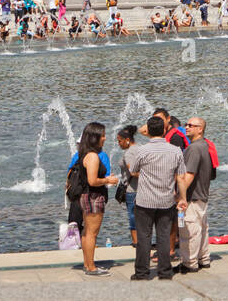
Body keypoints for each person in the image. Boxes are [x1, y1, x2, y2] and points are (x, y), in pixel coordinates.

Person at [129, 115, 188, 280]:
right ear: (164, 130)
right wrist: (183, 198)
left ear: (148, 130)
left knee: (143, 238)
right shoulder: (175, 151)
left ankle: (141, 273)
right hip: (166, 200)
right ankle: (165, 272)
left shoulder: (142, 150)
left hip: (145, 201)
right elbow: (181, 177)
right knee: (164, 237)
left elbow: (133, 171)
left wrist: (146, 174)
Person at [74, 122, 120, 276]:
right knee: (92, 233)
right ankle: (91, 267)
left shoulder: (84, 154)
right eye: (103, 135)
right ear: (95, 137)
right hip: (94, 196)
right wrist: (108, 180)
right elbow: (92, 181)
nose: (105, 138)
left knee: (87, 232)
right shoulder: (93, 156)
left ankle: (87, 264)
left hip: (87, 195)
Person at [177, 116, 213, 273]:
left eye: (191, 125)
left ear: (200, 129)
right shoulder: (205, 145)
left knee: (189, 232)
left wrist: (180, 196)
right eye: (186, 124)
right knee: (202, 230)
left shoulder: (193, 148)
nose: (187, 127)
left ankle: (189, 263)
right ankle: (203, 259)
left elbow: (189, 175)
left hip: (192, 196)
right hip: (202, 195)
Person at [117, 125, 142, 246]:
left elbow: (133, 172)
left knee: (133, 215)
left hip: (132, 189)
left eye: (119, 141)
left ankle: (136, 241)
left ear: (127, 140)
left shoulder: (129, 153)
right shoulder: (141, 148)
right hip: (143, 189)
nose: (118, 144)